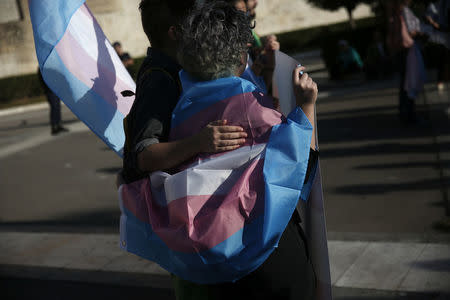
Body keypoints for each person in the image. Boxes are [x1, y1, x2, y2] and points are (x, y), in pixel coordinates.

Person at [120, 2, 319, 299]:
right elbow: (301, 169)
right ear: (241, 58)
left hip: (208, 262)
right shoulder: (251, 109)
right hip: (263, 257)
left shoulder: (181, 109)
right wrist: (307, 107)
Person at [37, 68, 69, 135]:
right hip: (49, 90)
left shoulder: (50, 67)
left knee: (57, 106)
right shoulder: (42, 68)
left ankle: (58, 124)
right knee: (54, 106)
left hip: (55, 89)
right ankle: (54, 126)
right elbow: (42, 80)